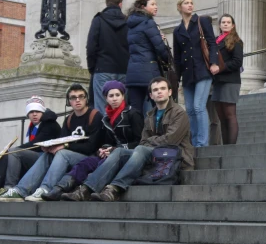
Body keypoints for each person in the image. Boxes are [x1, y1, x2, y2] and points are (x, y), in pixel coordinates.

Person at [63, 76, 194, 202]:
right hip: (153, 154)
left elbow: (170, 140)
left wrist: (150, 140)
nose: (159, 92)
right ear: (151, 95)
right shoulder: (150, 115)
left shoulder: (179, 113)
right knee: (119, 152)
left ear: (170, 92)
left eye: (163, 88)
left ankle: (114, 188)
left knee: (141, 149)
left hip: (174, 157)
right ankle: (85, 189)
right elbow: (143, 140)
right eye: (155, 90)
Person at [0, 84, 104, 202]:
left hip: (89, 158)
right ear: (68, 101)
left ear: (86, 99)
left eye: (81, 96)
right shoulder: (69, 119)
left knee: (62, 153)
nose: (77, 100)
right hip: (70, 155)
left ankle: (46, 189)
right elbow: (61, 141)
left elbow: (92, 146)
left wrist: (65, 146)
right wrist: (51, 147)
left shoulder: (95, 116)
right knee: (49, 154)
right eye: (73, 98)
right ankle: (20, 191)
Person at [42, 80, 144, 200]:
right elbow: (106, 142)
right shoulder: (106, 119)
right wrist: (103, 149)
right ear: (106, 98)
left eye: (118, 95)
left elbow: (140, 141)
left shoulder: (133, 113)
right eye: (111, 96)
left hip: (129, 154)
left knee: (101, 162)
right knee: (87, 162)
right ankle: (60, 188)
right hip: (112, 153)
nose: (114, 99)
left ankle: (83, 191)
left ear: (123, 96)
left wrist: (115, 149)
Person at [0, 96, 61, 201]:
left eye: (37, 111)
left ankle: (9, 187)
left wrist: (15, 149)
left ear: (43, 111)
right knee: (6, 155)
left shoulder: (49, 124)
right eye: (31, 112)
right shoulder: (34, 125)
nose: (34, 114)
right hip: (38, 158)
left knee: (14, 152)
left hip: (47, 160)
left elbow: (36, 144)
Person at [173, 0, 218, 147]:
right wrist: (177, 79)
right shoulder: (177, 30)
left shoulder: (201, 21)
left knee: (199, 107)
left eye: (191, 3)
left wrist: (213, 62)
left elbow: (212, 43)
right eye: (186, 3)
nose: (190, 5)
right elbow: (177, 57)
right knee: (191, 110)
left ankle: (202, 143)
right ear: (180, 7)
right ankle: (193, 143)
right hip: (187, 75)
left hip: (203, 70)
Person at [126, 0, 169, 115]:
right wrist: (168, 60)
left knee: (135, 111)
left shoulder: (131, 24)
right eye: (153, 4)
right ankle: (156, 133)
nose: (156, 7)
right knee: (158, 108)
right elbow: (159, 47)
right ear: (143, 6)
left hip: (133, 72)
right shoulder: (148, 23)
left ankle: (137, 134)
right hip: (149, 71)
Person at [86, 0, 129, 112]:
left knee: (101, 109)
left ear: (106, 3)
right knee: (121, 108)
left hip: (102, 68)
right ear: (120, 4)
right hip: (124, 69)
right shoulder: (128, 22)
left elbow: (91, 46)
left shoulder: (98, 20)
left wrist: (92, 67)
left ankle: (104, 131)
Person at [211, 14, 244, 145]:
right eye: (223, 22)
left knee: (230, 115)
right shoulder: (215, 41)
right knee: (222, 117)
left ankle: (231, 148)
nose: (225, 24)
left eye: (228, 22)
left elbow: (237, 62)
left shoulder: (236, 41)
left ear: (233, 25)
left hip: (230, 80)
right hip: (217, 82)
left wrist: (220, 68)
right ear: (219, 25)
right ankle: (225, 146)